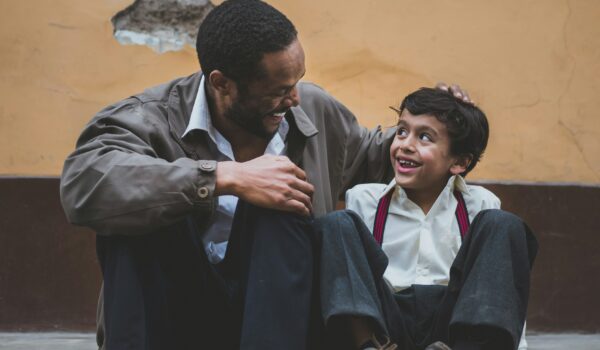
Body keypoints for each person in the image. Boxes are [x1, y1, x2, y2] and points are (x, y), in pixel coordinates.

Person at [60, 0, 471, 349]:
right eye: (278, 89)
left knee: (283, 200)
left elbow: (372, 157)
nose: (293, 99)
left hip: (284, 319)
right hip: (178, 314)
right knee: (139, 218)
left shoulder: (311, 108)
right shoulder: (148, 119)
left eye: (297, 82)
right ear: (222, 83)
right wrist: (224, 177)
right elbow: (85, 183)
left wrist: (438, 131)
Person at [316, 88, 538, 350]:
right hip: (385, 328)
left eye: (424, 137)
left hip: (452, 330)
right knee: (336, 223)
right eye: (401, 131)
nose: (405, 145)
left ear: (459, 162)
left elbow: (496, 289)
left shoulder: (479, 205)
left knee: (504, 224)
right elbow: (353, 284)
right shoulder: (365, 199)